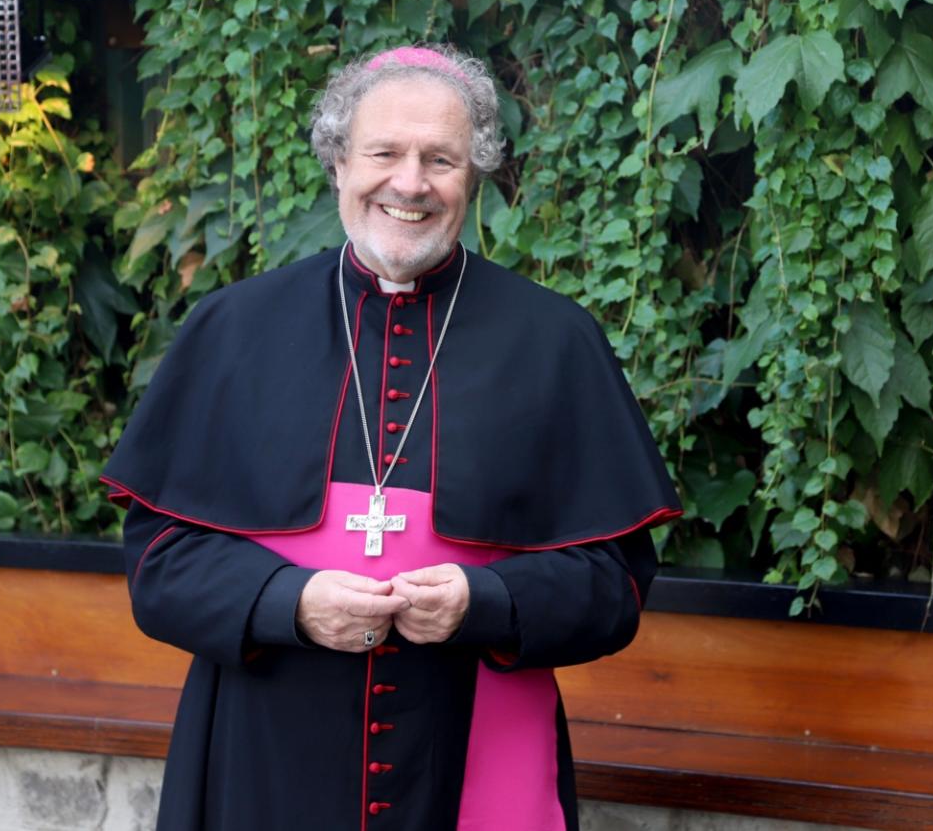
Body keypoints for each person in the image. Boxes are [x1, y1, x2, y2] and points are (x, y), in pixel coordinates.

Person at [102, 44, 681, 831]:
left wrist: (490, 600)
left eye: (440, 158)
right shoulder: (235, 328)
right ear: (338, 163)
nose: (410, 183)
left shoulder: (555, 342)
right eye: (384, 153)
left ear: (473, 177)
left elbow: (615, 587)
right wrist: (287, 602)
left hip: (471, 735)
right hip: (264, 757)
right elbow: (159, 564)